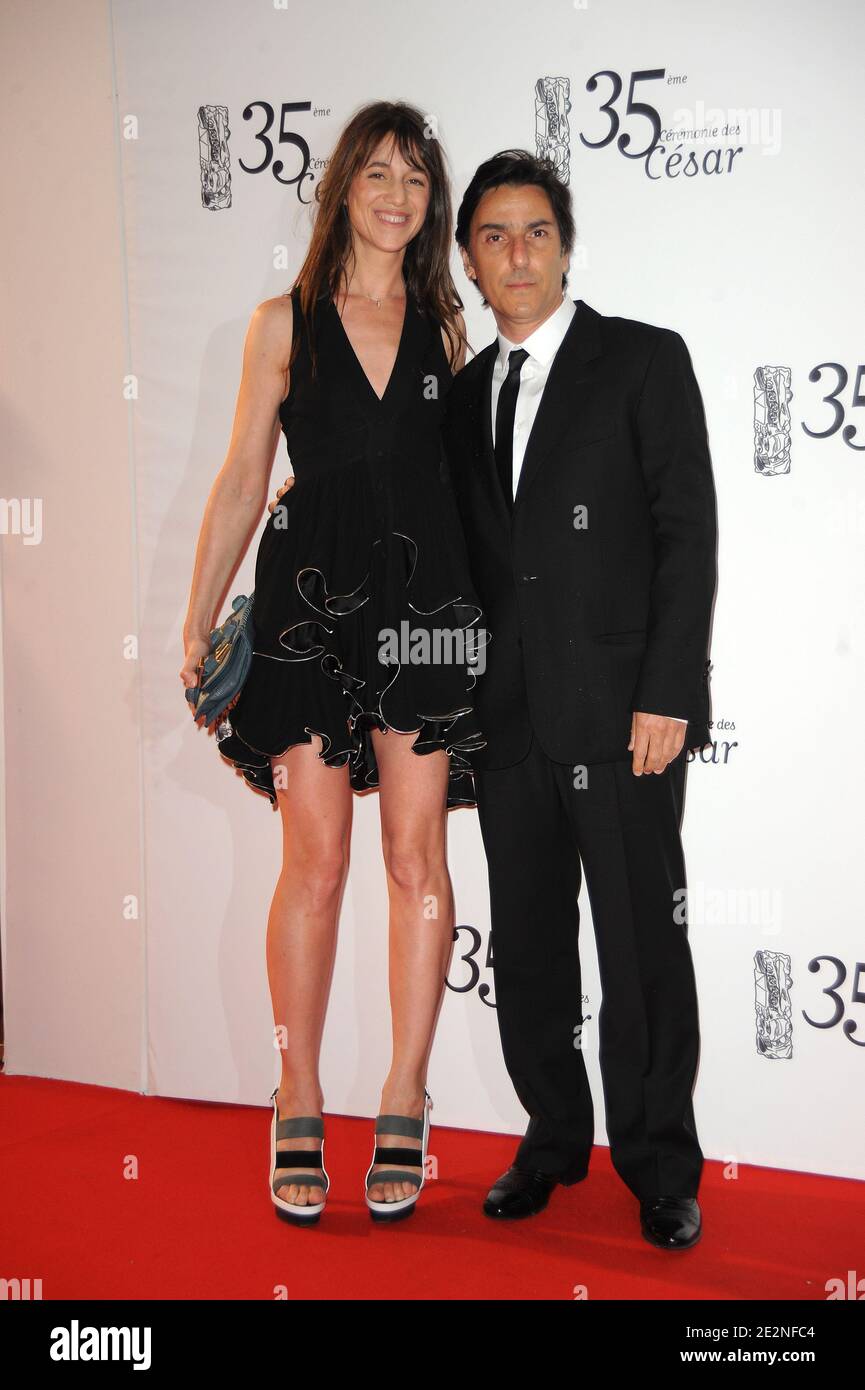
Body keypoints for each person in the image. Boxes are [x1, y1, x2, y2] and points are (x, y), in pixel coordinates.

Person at [180, 101, 485, 1224]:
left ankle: (404, 1089)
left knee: (415, 858)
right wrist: (198, 612)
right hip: (310, 608)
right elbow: (237, 480)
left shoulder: (447, 327)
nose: (397, 194)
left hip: (424, 614)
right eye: (378, 173)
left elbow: (466, 490)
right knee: (313, 862)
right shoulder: (281, 322)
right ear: (343, 187)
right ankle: (296, 1088)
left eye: (415, 176)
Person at [445, 150, 717, 1249]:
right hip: (507, 722)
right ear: (468, 260)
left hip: (623, 718)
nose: (517, 252)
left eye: (536, 231)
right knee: (531, 946)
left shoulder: (643, 362)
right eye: (494, 235)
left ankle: (659, 1163)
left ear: (566, 245)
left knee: (643, 945)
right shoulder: (460, 398)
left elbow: (685, 537)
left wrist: (666, 691)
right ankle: (553, 1137)